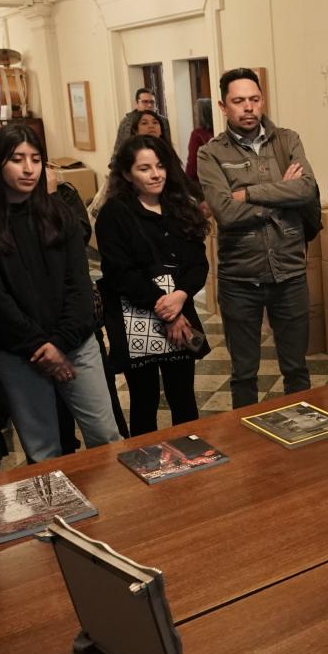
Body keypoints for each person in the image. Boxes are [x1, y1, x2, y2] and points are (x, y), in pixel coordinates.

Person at [0, 122, 121, 462]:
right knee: (43, 449)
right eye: (17, 159)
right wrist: (40, 347)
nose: (29, 168)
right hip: (19, 352)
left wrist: (60, 344)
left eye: (36, 159)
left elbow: (79, 282)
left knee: (106, 436)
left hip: (74, 341)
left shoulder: (56, 210)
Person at [196, 68, 318, 407]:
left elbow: (306, 190)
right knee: (244, 374)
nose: (248, 108)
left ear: (262, 100)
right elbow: (225, 213)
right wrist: (281, 199)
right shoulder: (211, 153)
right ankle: (248, 449)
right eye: (238, 101)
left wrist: (247, 193)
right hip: (240, 277)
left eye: (254, 99)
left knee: (297, 369)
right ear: (223, 106)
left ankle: (307, 434)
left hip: (289, 272)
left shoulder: (287, 140)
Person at [97, 133, 210, 432]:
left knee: (183, 396)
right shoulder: (114, 213)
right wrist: (166, 307)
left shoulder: (179, 206)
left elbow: (198, 263)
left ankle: (192, 457)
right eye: (144, 168)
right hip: (138, 314)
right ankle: (146, 465)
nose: (155, 174)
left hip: (181, 309)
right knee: (144, 400)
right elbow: (120, 273)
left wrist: (182, 296)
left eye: (159, 166)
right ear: (126, 173)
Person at [91, 110, 166, 219]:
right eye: (144, 123)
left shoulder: (169, 153)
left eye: (160, 166)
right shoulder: (117, 211)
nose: (151, 126)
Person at [184, 97, 215, 189]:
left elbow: (193, 163)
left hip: (203, 184)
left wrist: (186, 182)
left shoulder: (197, 134)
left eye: (196, 114)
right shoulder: (221, 131)